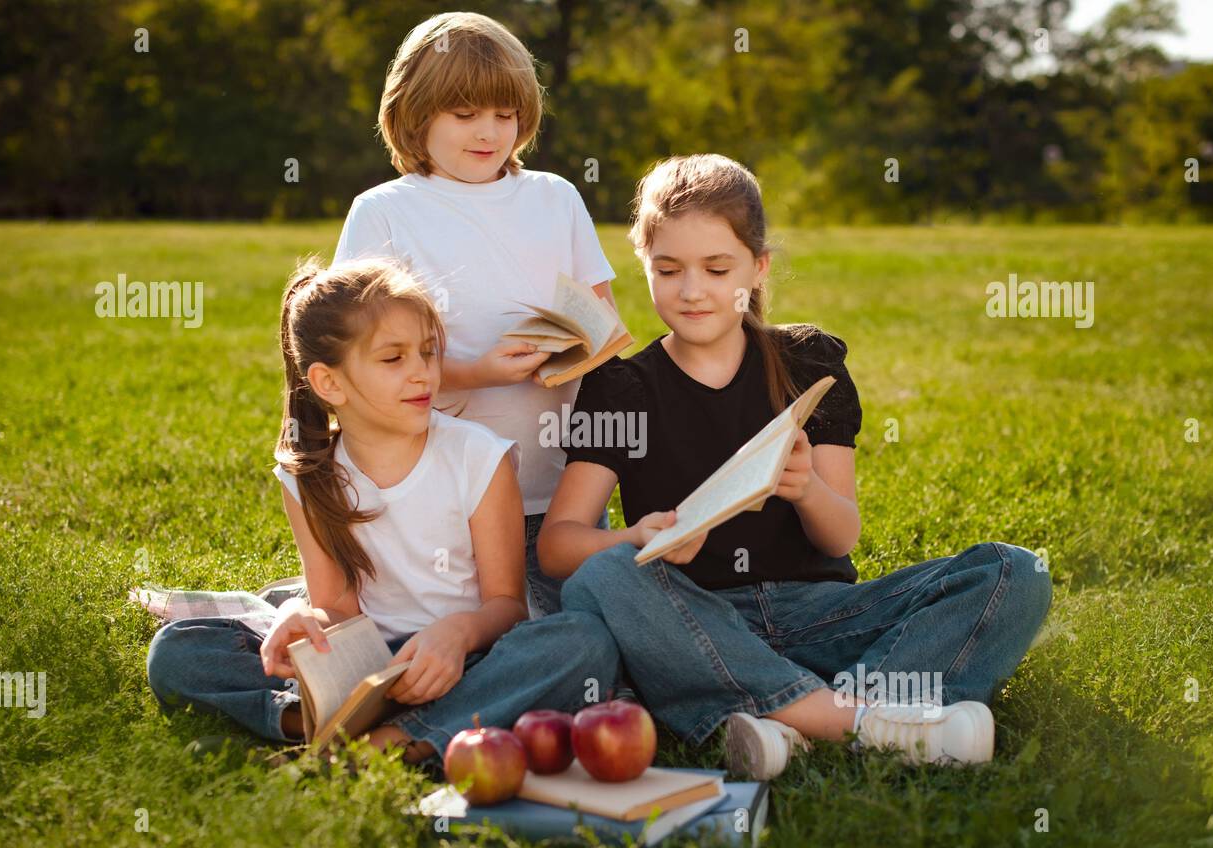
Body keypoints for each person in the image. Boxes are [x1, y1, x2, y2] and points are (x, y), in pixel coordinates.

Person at [362, 155, 1054, 779]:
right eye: (667, 271)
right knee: (605, 579)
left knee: (1013, 572)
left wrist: (806, 487)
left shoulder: (809, 362)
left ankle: (780, 715)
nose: (692, 291)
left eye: (717, 270)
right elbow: (562, 544)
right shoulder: (624, 387)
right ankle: (868, 719)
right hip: (687, 617)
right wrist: (631, 540)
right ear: (644, 266)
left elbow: (841, 538)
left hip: (815, 611)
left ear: (759, 267)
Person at [147, 257, 531, 749]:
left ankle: (368, 739)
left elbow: (508, 607)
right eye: (394, 359)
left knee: (574, 644)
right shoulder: (307, 477)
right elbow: (338, 609)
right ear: (329, 383)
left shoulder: (478, 456)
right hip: (365, 666)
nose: (423, 374)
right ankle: (328, 727)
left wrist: (457, 634)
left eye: (428, 352)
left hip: (470, 657)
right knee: (179, 650)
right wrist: (304, 620)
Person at [331, 11, 618, 616]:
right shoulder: (385, 211)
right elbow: (362, 368)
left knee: (588, 628)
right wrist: (478, 371)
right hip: (440, 505)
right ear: (414, 114)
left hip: (558, 495)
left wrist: (573, 353)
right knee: (481, 626)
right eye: (464, 115)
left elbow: (600, 319)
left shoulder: (555, 197)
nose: (489, 132)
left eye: (505, 115)